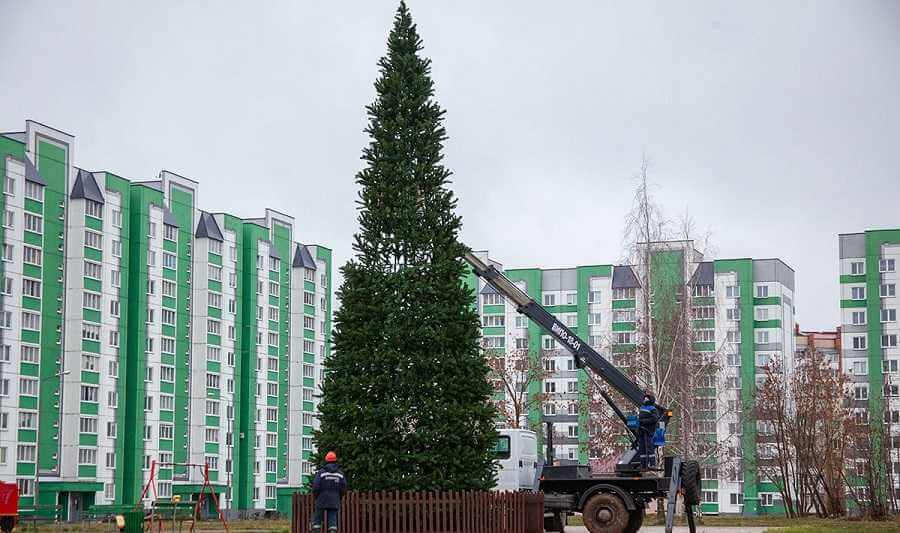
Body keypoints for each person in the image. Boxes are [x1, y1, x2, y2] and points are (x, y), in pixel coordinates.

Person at [311, 451, 347, 533]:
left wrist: (316, 496)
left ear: (326, 461)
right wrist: (339, 496)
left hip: (321, 499)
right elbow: (344, 488)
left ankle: (316, 531)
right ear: (335, 461)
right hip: (334, 500)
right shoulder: (340, 474)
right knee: (332, 520)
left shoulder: (321, 472)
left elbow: (316, 486)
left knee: (317, 519)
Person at [637, 394, 660, 470]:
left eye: (647, 398)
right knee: (642, 448)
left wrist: (643, 421)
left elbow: (654, 419)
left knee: (649, 448)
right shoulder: (642, 408)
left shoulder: (653, 409)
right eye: (645, 398)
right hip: (641, 430)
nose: (645, 400)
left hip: (648, 430)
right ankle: (643, 465)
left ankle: (652, 464)